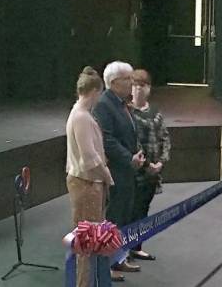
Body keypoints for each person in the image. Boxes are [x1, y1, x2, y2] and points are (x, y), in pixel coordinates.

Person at [92, 61, 146, 280]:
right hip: (116, 172)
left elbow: (129, 133)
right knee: (114, 217)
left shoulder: (123, 103)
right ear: (114, 83)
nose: (132, 84)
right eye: (128, 80)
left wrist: (138, 154)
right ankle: (108, 265)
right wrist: (128, 158)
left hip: (128, 171)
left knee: (125, 216)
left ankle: (119, 258)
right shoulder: (104, 104)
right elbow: (108, 140)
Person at [65, 66, 114, 286]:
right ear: (95, 91)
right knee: (87, 244)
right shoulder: (82, 117)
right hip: (87, 184)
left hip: (86, 182)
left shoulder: (79, 113)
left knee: (90, 242)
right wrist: (107, 175)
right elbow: (89, 158)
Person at [129, 69, 171, 262]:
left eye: (142, 85)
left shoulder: (155, 112)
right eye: (135, 85)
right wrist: (147, 165)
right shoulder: (128, 113)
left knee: (143, 211)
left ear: (148, 88)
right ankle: (123, 251)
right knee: (130, 212)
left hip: (153, 175)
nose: (138, 89)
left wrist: (161, 162)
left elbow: (165, 138)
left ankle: (137, 247)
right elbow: (132, 143)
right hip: (135, 173)